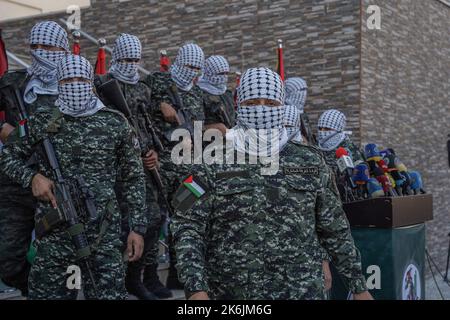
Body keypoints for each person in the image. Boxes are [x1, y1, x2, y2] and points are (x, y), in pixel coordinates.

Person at [171, 67, 373, 300]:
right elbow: (185, 225)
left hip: (301, 291)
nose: (261, 108)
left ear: (282, 106)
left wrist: (359, 287)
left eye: (270, 102)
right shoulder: (208, 160)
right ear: (238, 104)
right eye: (253, 101)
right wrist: (196, 289)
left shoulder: (310, 161)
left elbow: (334, 228)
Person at [0, 54, 146, 299]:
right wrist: (32, 177)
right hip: (56, 235)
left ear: (90, 82)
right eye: (68, 79)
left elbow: (134, 177)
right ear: (59, 83)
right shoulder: (41, 121)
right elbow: (7, 157)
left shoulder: (115, 122)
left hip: (104, 235)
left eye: (81, 79)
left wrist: (137, 228)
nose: (75, 84)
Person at [95, 33, 171, 300]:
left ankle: (133, 278)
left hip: (145, 165)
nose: (130, 63)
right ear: (116, 57)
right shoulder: (102, 85)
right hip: (116, 168)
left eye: (135, 59)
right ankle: (114, 282)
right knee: (118, 226)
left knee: (152, 220)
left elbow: (147, 124)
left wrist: (152, 152)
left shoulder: (143, 88)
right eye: (126, 58)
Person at [0, 21, 69, 297]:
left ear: (63, 49)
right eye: (35, 46)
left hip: (58, 187)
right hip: (15, 183)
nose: (41, 52)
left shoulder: (77, 86)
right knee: (7, 260)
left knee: (61, 258)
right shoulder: (12, 83)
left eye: (49, 46)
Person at [144, 43, 205, 289]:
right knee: (154, 219)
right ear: (180, 61)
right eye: (189, 66)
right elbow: (140, 108)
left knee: (184, 216)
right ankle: (148, 277)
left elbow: (199, 127)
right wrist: (160, 104)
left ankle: (177, 274)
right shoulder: (158, 80)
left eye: (197, 68)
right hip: (160, 164)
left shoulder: (196, 93)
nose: (192, 72)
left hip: (188, 165)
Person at [317, 109, 365, 173]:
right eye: (320, 128)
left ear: (338, 129)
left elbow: (359, 171)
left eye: (327, 128)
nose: (322, 131)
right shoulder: (315, 146)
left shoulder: (349, 148)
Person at [198, 55, 235, 135]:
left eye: (226, 73)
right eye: (221, 73)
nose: (224, 77)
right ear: (208, 73)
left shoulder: (227, 93)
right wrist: (214, 127)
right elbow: (194, 126)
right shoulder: (198, 95)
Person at [285, 77, 315, 144]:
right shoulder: (283, 113)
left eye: (304, 90)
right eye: (300, 91)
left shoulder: (303, 113)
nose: (303, 94)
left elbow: (309, 135)